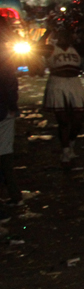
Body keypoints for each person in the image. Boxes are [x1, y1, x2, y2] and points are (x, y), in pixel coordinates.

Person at [36, 25, 84, 164]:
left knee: (79, 118)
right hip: (57, 83)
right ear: (58, 37)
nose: (65, 38)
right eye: (62, 35)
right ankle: (65, 150)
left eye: (68, 35)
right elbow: (37, 47)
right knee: (63, 120)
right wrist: (48, 31)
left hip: (74, 83)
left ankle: (71, 143)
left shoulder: (76, 48)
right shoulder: (51, 49)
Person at [0, 16, 20, 219]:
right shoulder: (4, 54)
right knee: (5, 153)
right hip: (3, 110)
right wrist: (12, 107)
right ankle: (14, 194)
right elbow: (9, 84)